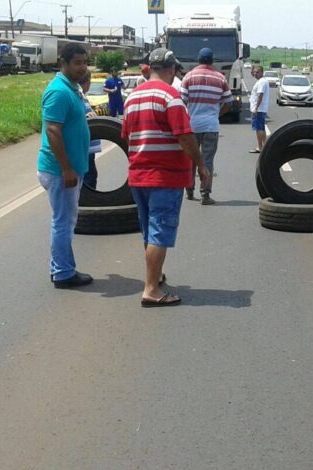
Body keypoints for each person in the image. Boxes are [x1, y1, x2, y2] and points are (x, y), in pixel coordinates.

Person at [121, 48, 210, 307]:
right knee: (160, 229)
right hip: (165, 176)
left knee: (149, 229)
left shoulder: (132, 97)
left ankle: (156, 276)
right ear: (171, 69)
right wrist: (201, 165)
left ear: (149, 68)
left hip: (138, 174)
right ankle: (151, 289)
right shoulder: (171, 97)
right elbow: (184, 136)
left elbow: (126, 136)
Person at [37, 43, 93, 289]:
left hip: (71, 168)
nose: (83, 67)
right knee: (63, 221)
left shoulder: (73, 89)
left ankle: (62, 267)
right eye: (78, 63)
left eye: (84, 62)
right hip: (60, 170)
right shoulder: (58, 91)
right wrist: (67, 168)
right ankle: (62, 273)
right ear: (65, 63)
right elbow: (52, 130)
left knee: (67, 220)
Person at [180, 47, 233, 204]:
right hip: (211, 126)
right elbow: (229, 102)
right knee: (207, 160)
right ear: (212, 61)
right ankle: (205, 194)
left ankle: (189, 190)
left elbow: (182, 100)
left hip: (192, 126)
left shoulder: (189, 76)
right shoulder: (220, 78)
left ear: (198, 60)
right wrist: (217, 114)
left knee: (191, 159)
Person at [78, 70, 102, 189]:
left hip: (88, 147)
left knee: (91, 176)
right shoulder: (77, 95)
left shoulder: (83, 96)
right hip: (83, 149)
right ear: (87, 82)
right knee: (88, 179)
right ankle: (85, 204)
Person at [249, 65, 269, 154]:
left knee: (259, 129)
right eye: (254, 72)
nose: (255, 74)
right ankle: (265, 146)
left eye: (257, 72)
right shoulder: (261, 81)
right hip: (260, 109)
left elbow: (260, 95)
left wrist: (256, 108)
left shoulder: (261, 82)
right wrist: (252, 70)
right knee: (261, 128)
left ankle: (260, 147)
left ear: (262, 72)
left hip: (259, 109)